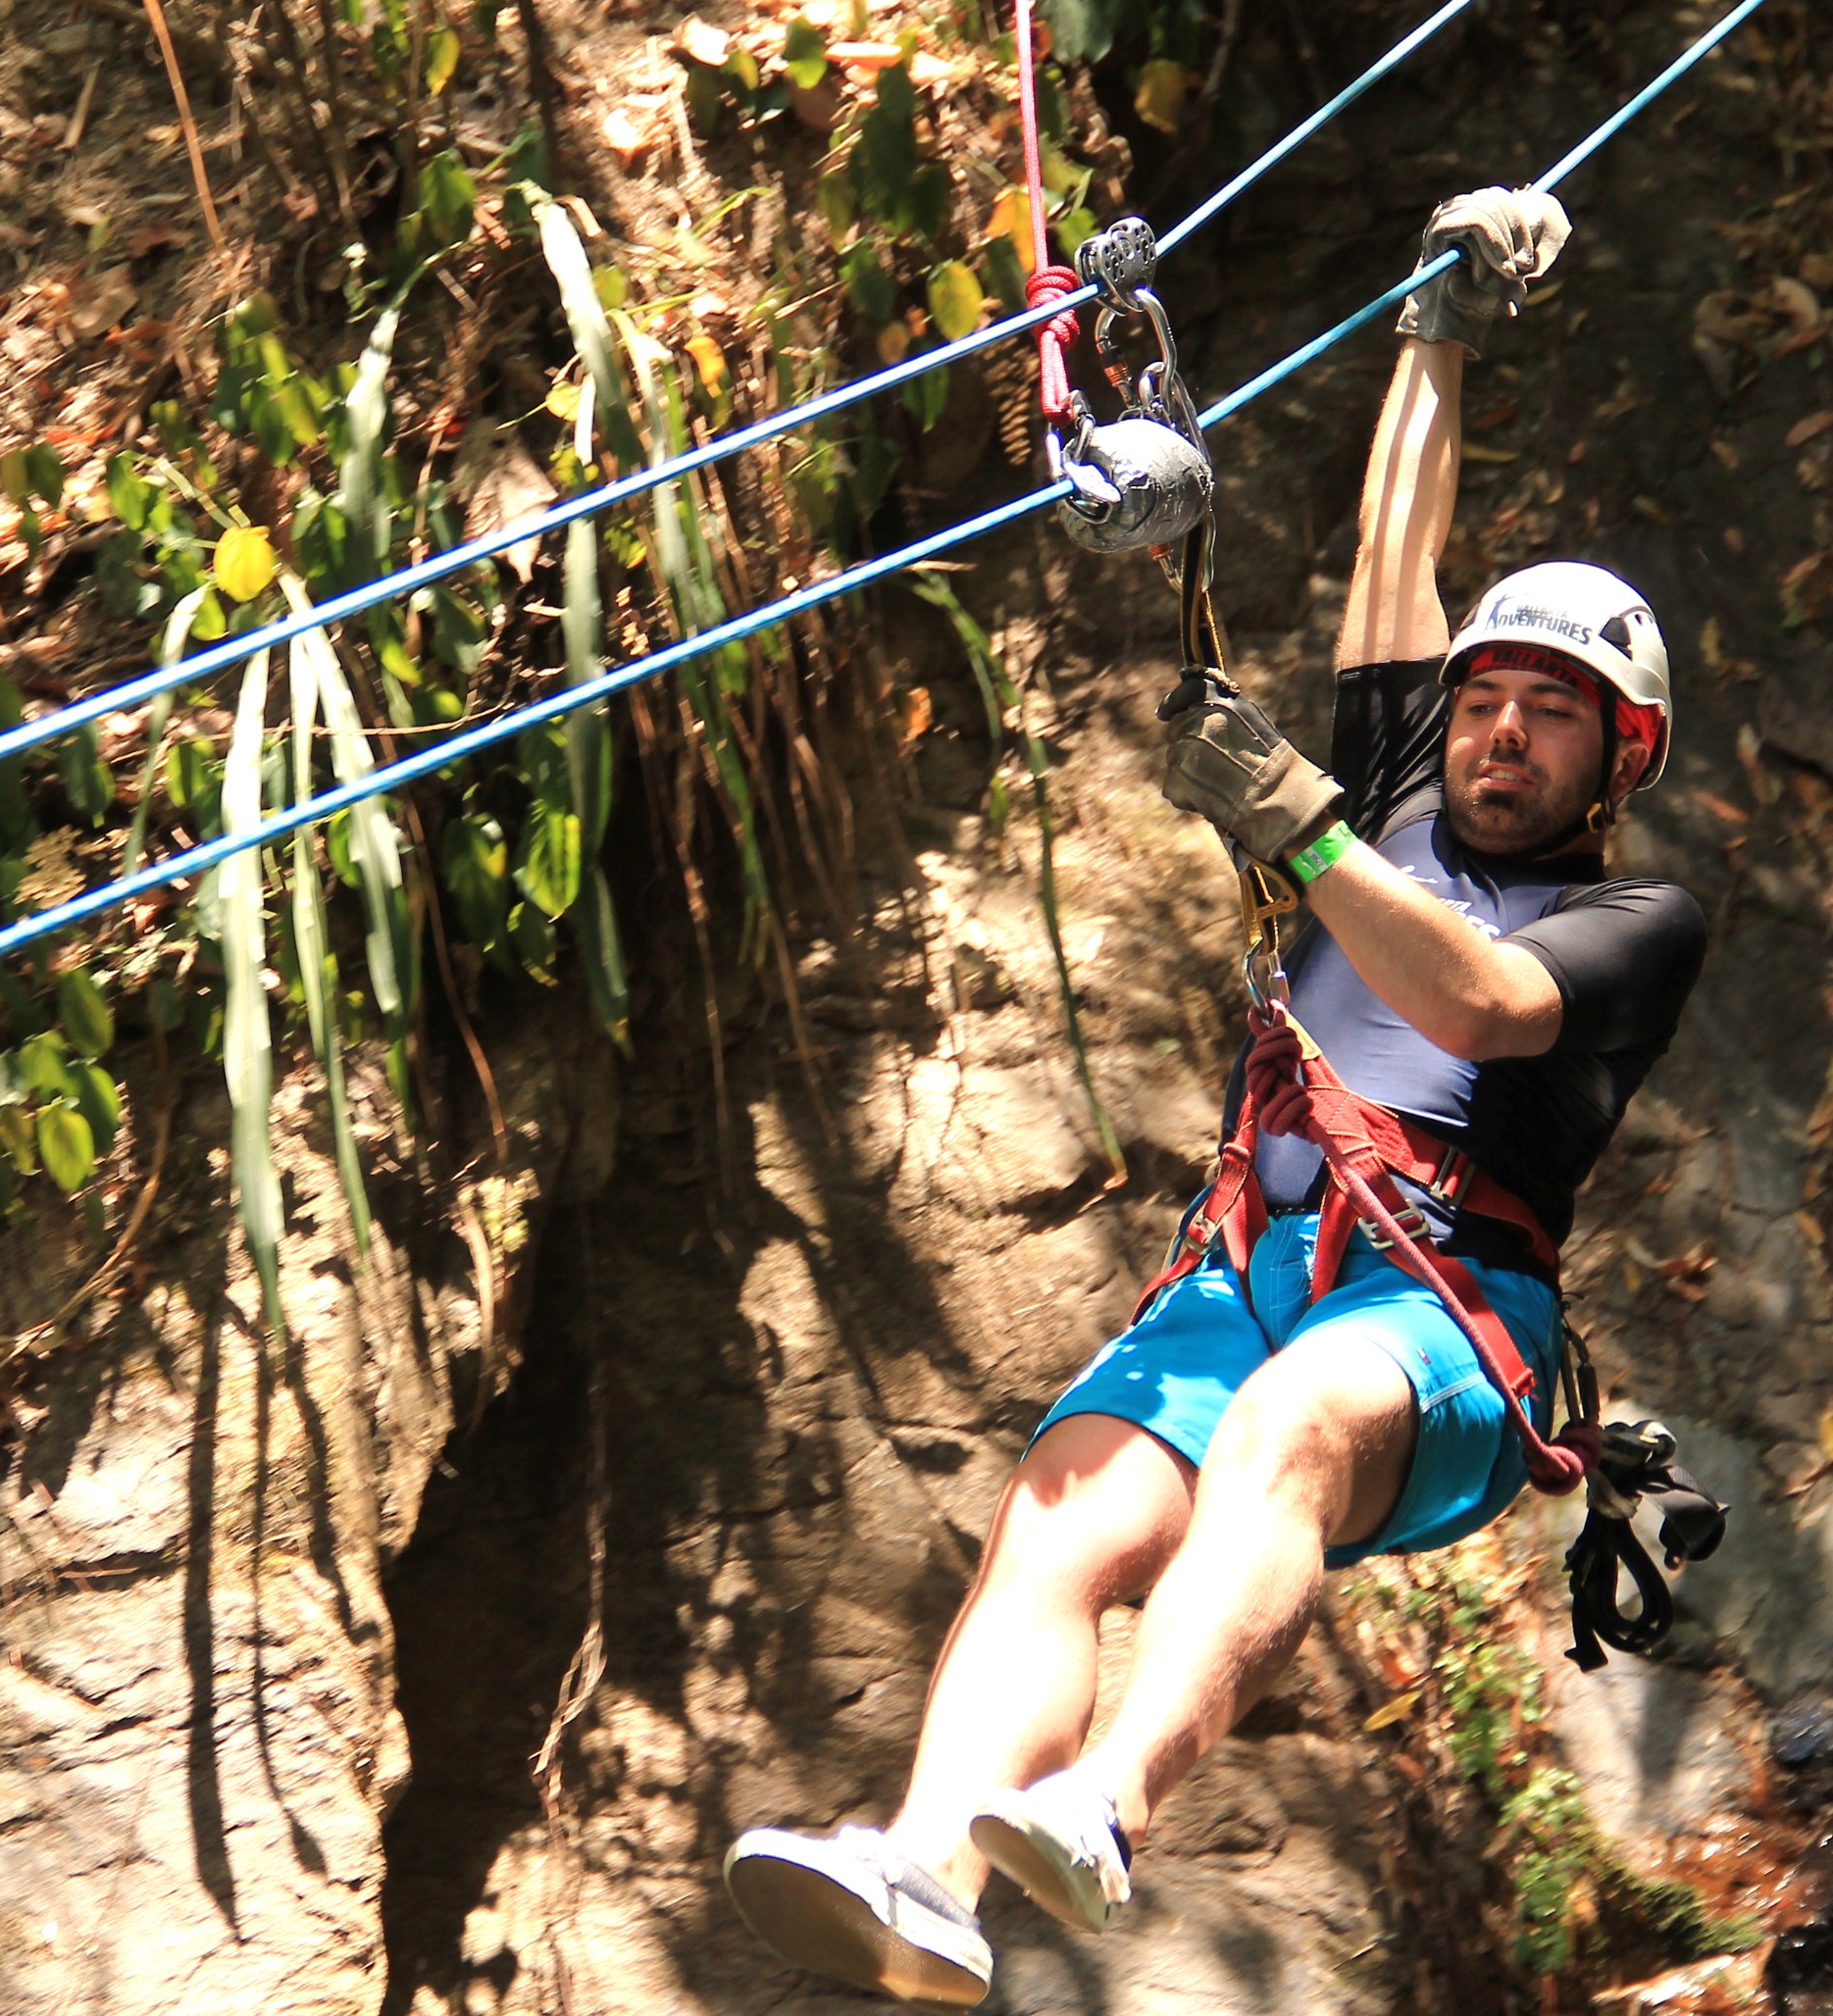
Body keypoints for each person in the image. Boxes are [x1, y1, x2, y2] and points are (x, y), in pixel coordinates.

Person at [720, 186, 1710, 2008]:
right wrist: (1437, 318)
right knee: (1063, 1506)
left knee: (1287, 1429)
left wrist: (1301, 828)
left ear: (1617, 758)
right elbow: (1396, 552)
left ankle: (1104, 1809)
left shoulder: (1633, 920)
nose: (1500, 728)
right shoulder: (1398, 789)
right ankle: (924, 1871)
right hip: (1253, 1268)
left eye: (1554, 712)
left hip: (1443, 1313)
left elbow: (1484, 1005)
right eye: (1485, 696)